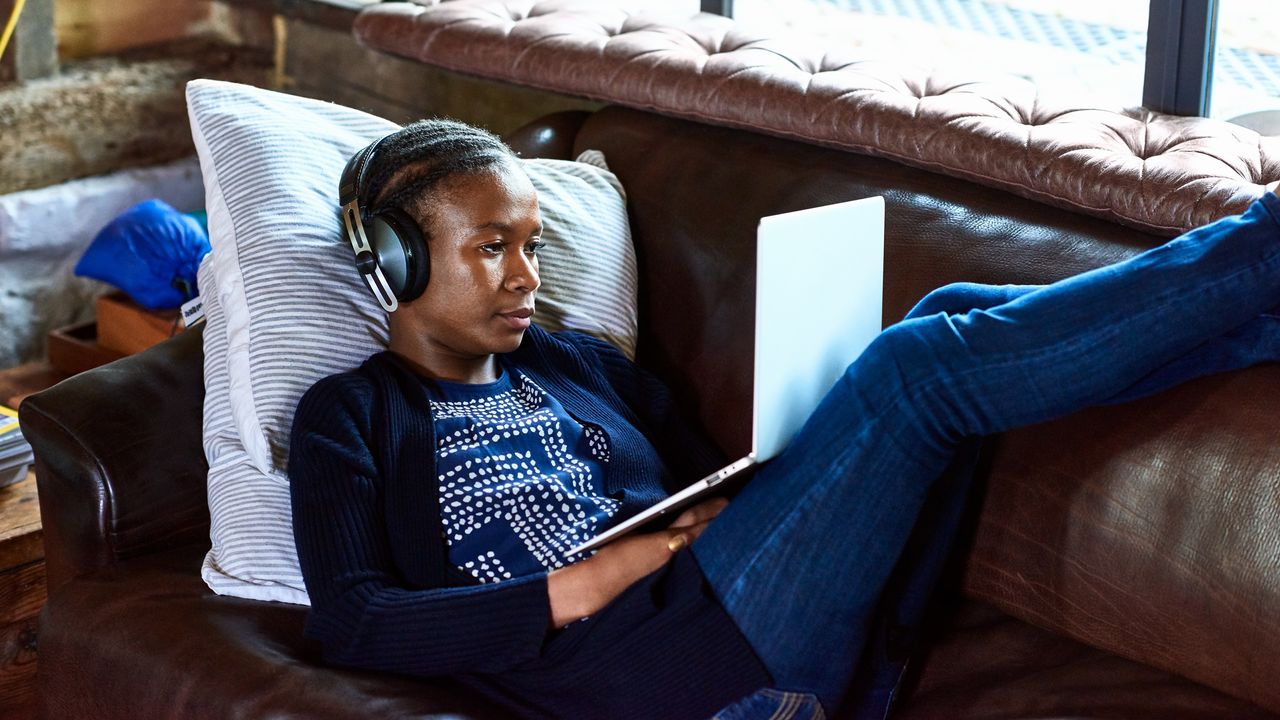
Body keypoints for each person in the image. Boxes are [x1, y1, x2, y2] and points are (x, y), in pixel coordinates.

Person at [288, 118, 1280, 720]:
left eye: (533, 245)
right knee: (914, 371)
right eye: (490, 247)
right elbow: (355, 619)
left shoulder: (576, 362)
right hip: (651, 684)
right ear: (396, 262)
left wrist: (757, 475)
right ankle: (1263, 242)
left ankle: (1261, 313)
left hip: (725, 611)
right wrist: (590, 582)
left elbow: (706, 490)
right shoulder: (353, 415)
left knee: (941, 319)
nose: (524, 278)